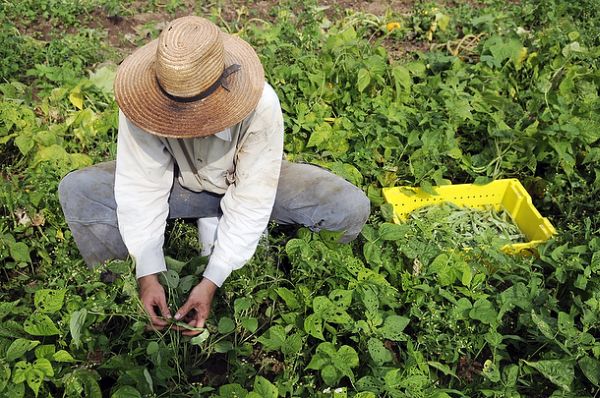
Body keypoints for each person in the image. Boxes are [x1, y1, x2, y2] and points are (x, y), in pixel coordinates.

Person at [58, 16, 370, 336]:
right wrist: (147, 274)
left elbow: (252, 197)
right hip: (181, 183)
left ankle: (316, 280)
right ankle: (118, 301)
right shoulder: (141, 102)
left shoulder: (260, 102)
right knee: (79, 189)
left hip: (243, 177)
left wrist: (211, 280)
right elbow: (141, 185)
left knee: (347, 205)